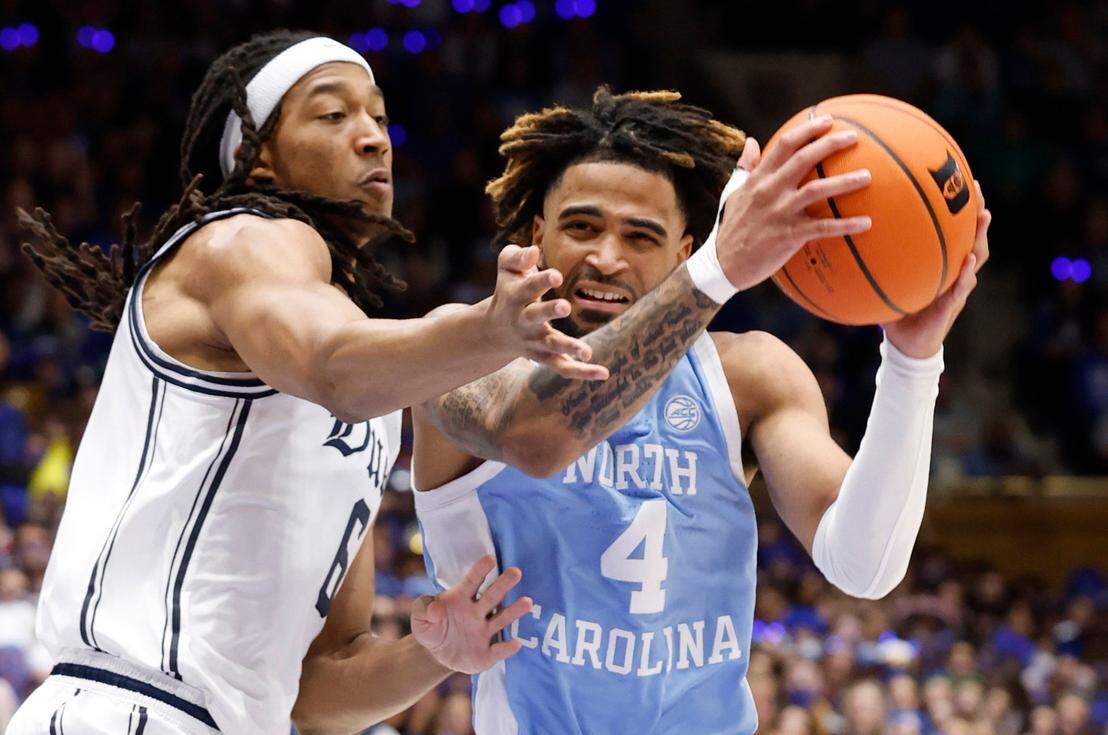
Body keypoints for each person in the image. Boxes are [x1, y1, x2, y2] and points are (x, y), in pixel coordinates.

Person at [8, 30, 606, 735]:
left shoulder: (375, 396)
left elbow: (315, 690)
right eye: (333, 114)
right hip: (127, 705)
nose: (374, 138)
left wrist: (436, 652)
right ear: (257, 155)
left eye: (379, 117)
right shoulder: (239, 239)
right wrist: (488, 329)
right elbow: (331, 365)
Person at [412, 87, 991, 733]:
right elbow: (538, 438)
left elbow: (865, 565)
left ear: (681, 252)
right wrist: (721, 270)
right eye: (582, 227)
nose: (607, 257)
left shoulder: (748, 376)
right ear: (537, 235)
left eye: (641, 235)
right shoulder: (457, 352)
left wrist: (911, 361)